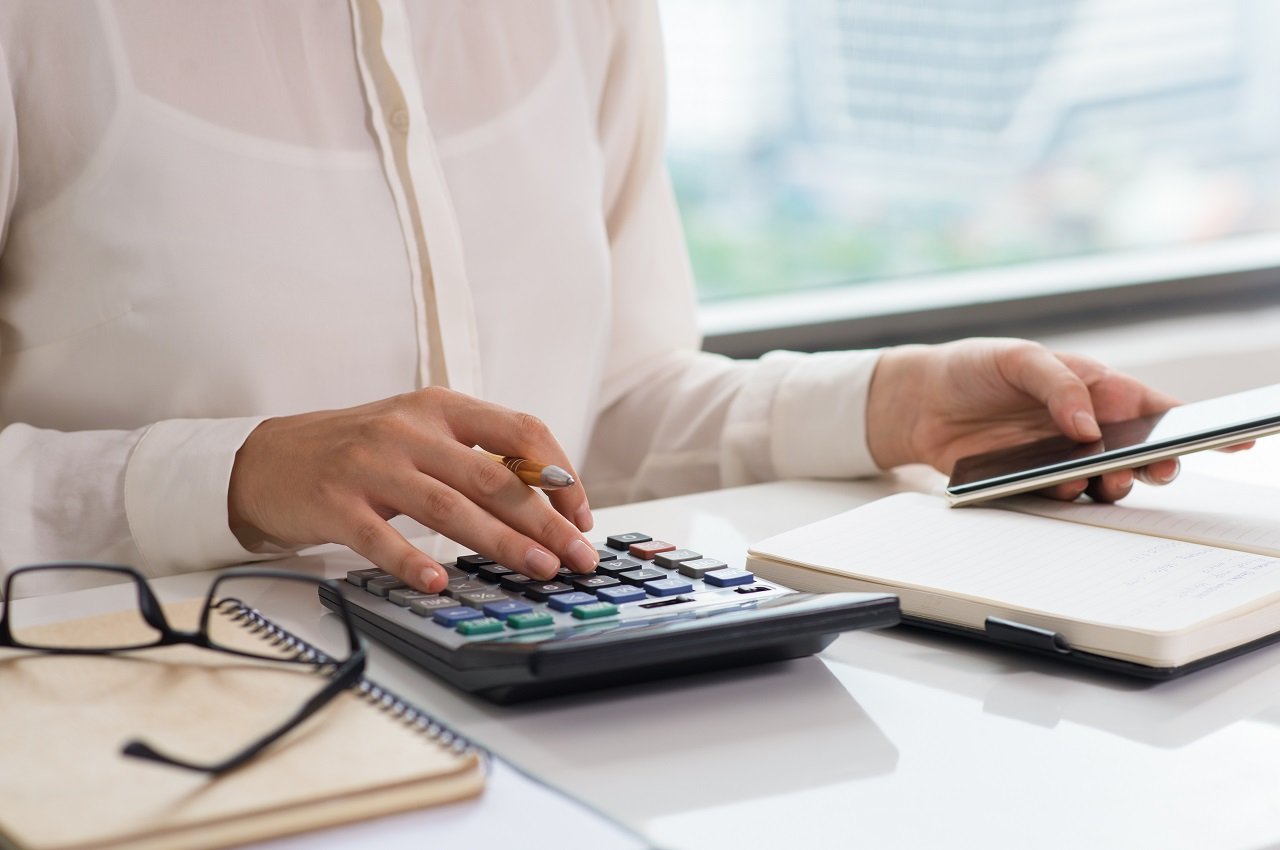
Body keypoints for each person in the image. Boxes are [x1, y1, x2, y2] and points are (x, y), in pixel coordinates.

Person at [0, 1, 1180, 597]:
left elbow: (598, 413)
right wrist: (233, 474)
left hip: (550, 727)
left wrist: (889, 404)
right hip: (155, 732)